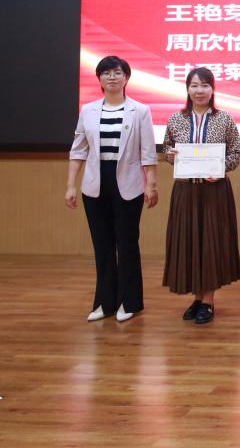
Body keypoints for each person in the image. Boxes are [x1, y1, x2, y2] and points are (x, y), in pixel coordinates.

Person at [65, 56, 158, 322]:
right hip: (95, 184)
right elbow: (78, 150)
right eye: (106, 73)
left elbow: (148, 152)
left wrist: (151, 184)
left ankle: (130, 302)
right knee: (102, 244)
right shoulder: (88, 110)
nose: (112, 77)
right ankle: (105, 302)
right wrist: (71, 185)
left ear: (126, 78)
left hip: (129, 183)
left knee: (126, 243)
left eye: (117, 73)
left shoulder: (140, 110)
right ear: (99, 79)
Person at [162, 67, 240, 325]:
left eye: (205, 85)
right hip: (185, 191)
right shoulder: (176, 119)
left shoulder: (224, 119)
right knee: (189, 243)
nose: (200, 91)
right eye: (195, 85)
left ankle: (208, 300)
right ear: (187, 89)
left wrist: (219, 169)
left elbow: (237, 152)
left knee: (210, 244)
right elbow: (167, 148)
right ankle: (197, 299)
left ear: (212, 89)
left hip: (214, 192)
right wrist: (170, 155)